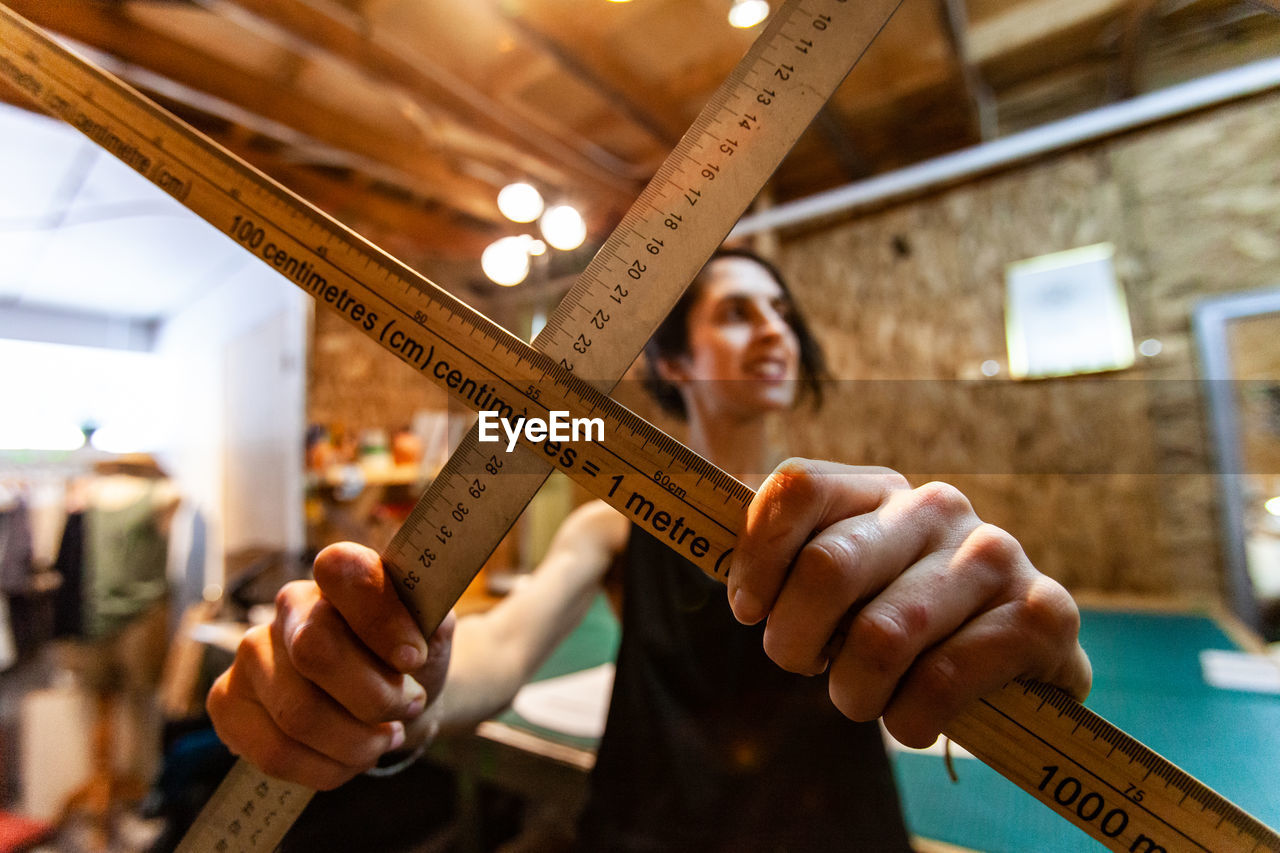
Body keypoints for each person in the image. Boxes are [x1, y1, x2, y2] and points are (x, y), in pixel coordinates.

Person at [208, 248, 1092, 850]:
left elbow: (964, 635)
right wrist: (406, 682)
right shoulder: (614, 524)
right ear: (674, 363)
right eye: (738, 313)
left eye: (782, 311)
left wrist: (1003, 639)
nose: (775, 329)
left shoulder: (861, 529)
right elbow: (502, 646)